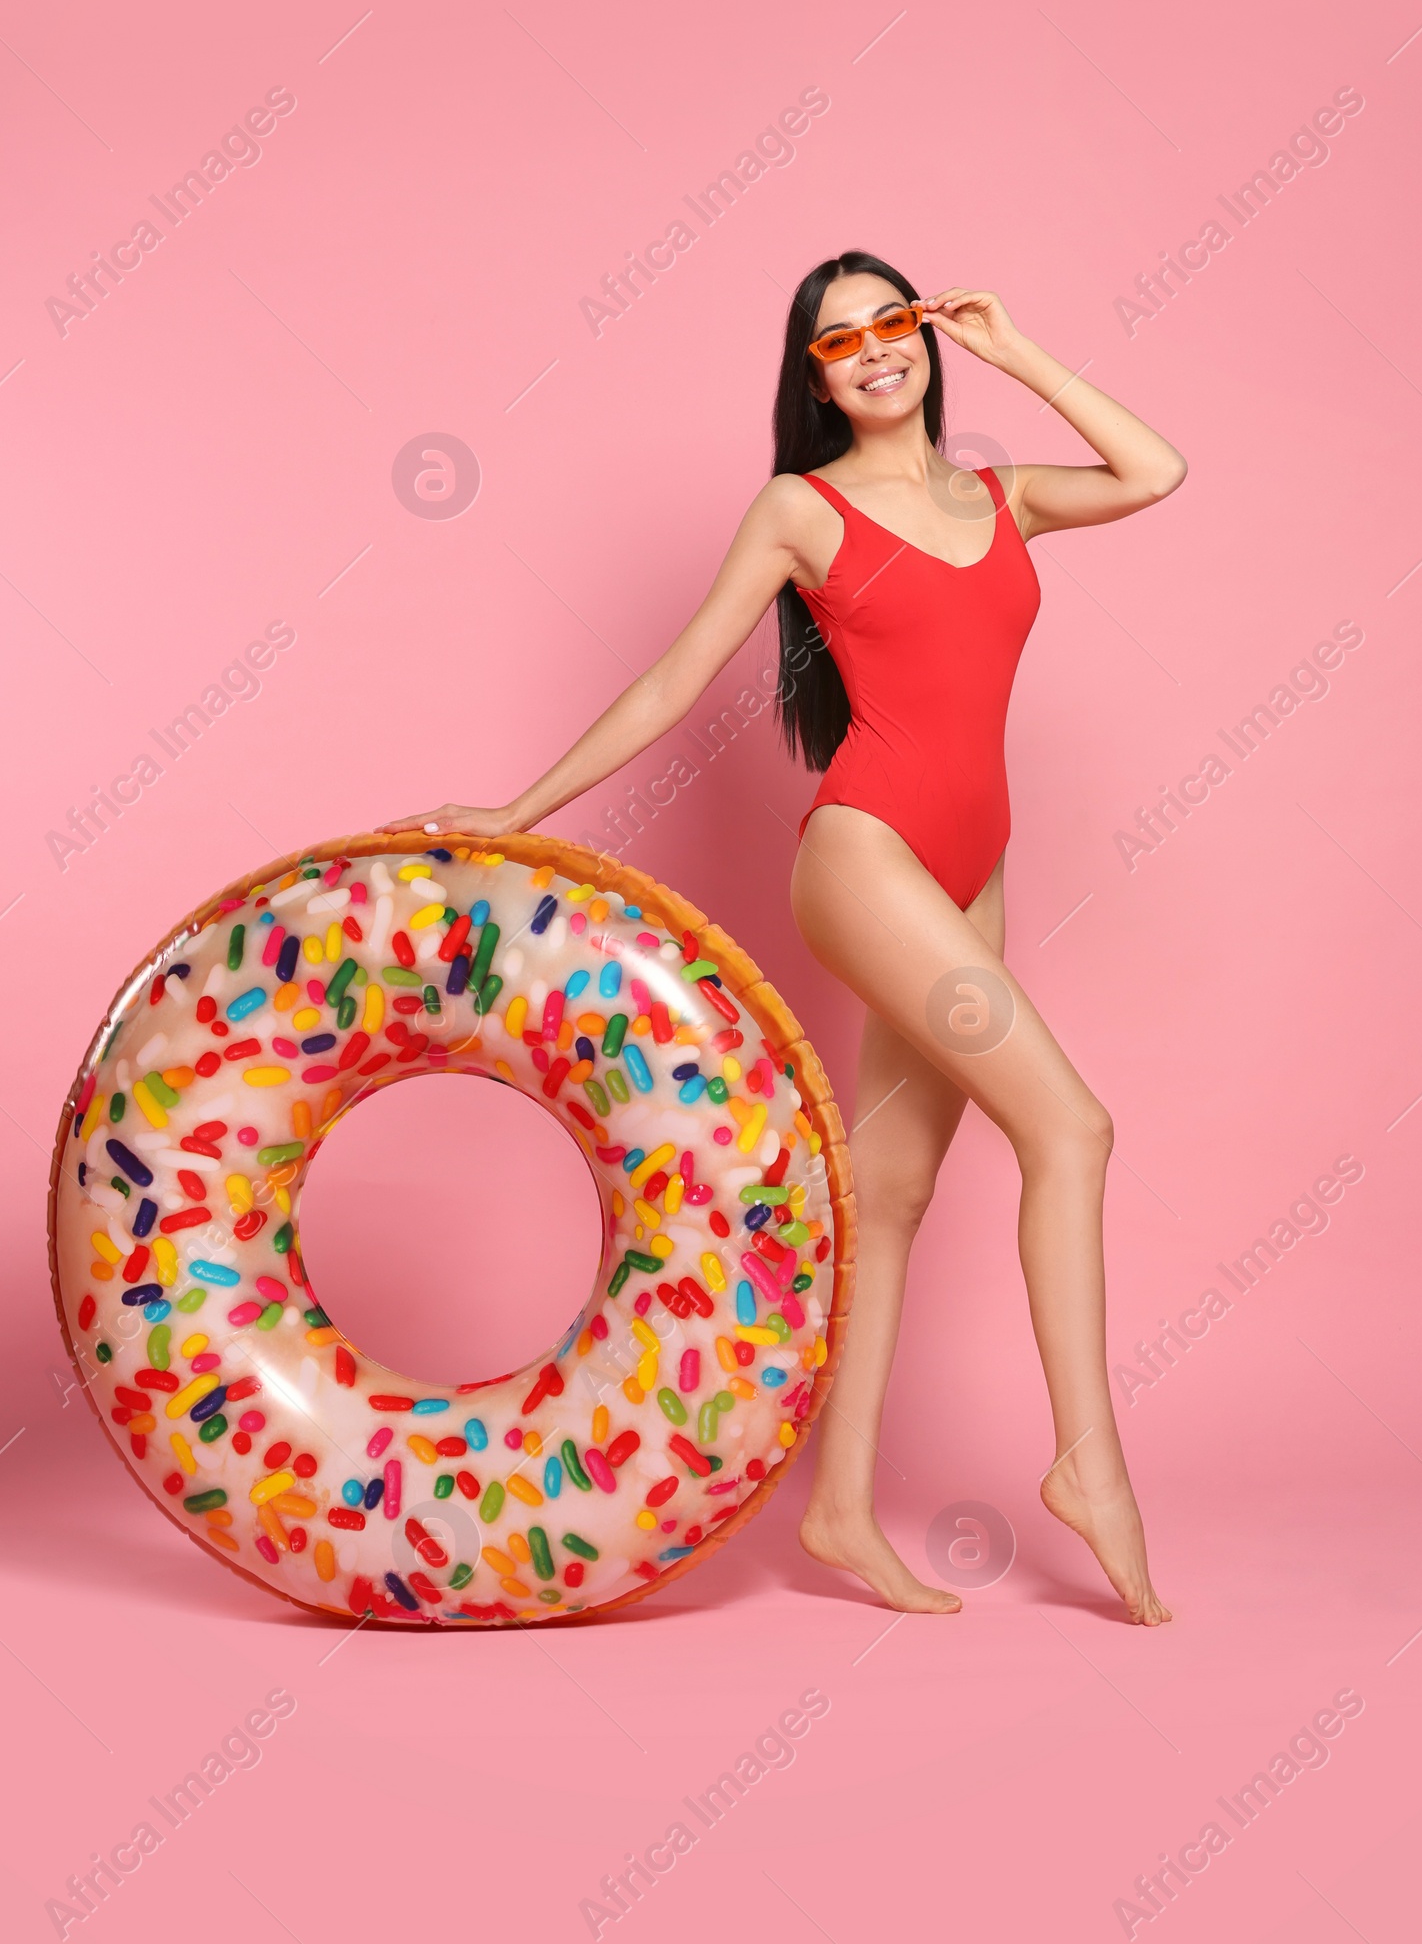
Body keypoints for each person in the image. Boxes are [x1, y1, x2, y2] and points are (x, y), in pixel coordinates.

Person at [391, 250, 1185, 1622]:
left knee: (890, 1194)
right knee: (1073, 1129)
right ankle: (1091, 1465)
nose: (876, 351)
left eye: (894, 324)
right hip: (865, 854)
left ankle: (837, 1505)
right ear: (812, 376)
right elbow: (672, 676)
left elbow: (1154, 471)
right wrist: (521, 809)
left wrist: (1019, 354)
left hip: (974, 864)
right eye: (841, 341)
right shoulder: (799, 510)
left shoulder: (999, 497)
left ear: (927, 341)